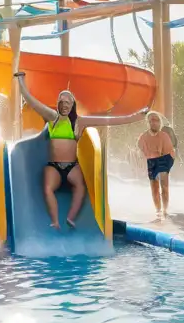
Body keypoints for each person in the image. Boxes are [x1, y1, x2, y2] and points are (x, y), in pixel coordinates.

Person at [15, 74, 136, 229]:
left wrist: (135, 117)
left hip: (72, 166)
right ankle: (55, 221)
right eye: (62, 101)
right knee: (47, 188)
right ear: (57, 104)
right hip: (54, 166)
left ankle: (71, 218)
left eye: (68, 102)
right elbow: (32, 102)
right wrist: (21, 82)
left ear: (73, 105)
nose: (65, 104)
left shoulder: (79, 122)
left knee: (80, 187)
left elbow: (109, 121)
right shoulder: (52, 118)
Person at [138, 111, 176, 219]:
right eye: (152, 121)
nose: (154, 123)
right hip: (151, 161)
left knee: (164, 186)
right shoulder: (144, 137)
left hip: (163, 159)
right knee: (154, 188)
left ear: (160, 123)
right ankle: (158, 211)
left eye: (156, 120)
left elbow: (170, 152)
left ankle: (165, 210)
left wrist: (169, 162)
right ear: (148, 123)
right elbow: (140, 147)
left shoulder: (164, 136)